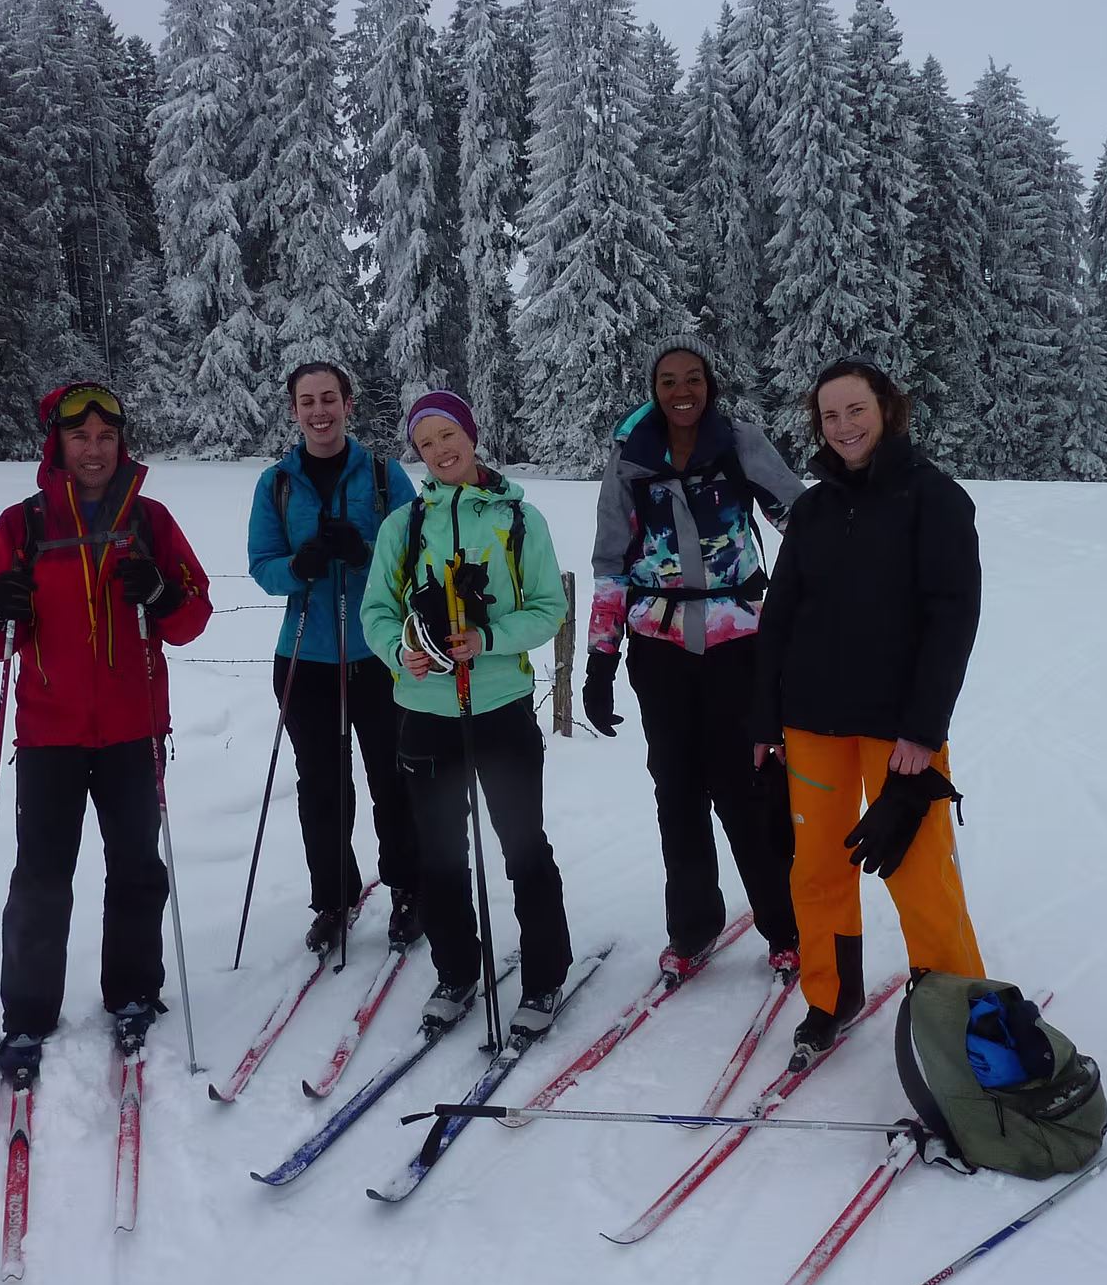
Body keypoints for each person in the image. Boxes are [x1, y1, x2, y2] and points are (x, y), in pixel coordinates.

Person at [0, 381, 213, 1080]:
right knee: (41, 878)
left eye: (106, 437)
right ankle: (28, 1014)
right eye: (81, 437)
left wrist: (160, 594)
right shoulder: (22, 526)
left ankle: (133, 992)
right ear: (59, 445)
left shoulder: (151, 522)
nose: (95, 449)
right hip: (50, 733)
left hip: (134, 728)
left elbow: (193, 615)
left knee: (136, 868)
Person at [751, 358, 987, 1064]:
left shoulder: (935, 500)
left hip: (899, 733)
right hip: (812, 723)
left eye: (856, 409)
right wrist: (764, 718)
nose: (844, 426)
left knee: (919, 877)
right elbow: (779, 618)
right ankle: (831, 997)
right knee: (817, 870)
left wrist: (923, 730)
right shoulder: (813, 511)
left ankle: (959, 1017)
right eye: (830, 415)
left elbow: (952, 621)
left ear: (886, 409)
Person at [359, 390, 575, 1040]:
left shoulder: (519, 519)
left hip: (501, 707)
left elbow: (549, 608)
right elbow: (376, 612)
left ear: (471, 435)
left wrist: (488, 639)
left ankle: (545, 973)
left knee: (524, 846)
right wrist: (399, 652)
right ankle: (456, 972)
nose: (440, 450)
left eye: (448, 435)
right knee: (440, 854)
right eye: (426, 443)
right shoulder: (404, 527)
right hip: (425, 712)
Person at [586, 335, 802, 978]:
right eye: (668, 381)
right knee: (677, 793)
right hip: (660, 648)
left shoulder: (738, 443)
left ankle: (786, 928)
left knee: (748, 788)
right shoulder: (631, 458)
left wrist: (814, 596)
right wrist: (600, 662)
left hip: (739, 642)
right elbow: (610, 562)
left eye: (693, 378)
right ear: (653, 390)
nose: (682, 391)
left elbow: (802, 518)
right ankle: (692, 929)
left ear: (710, 383)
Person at [248, 360, 423, 955]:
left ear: (349, 404)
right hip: (305, 657)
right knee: (322, 788)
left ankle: (407, 888)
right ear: (294, 410)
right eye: (307, 401)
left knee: (392, 779)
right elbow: (262, 564)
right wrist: (297, 568)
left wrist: (366, 552)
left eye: (329, 399)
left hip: (379, 655)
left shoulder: (383, 476)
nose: (319, 411)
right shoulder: (276, 483)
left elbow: (416, 554)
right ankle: (333, 898)